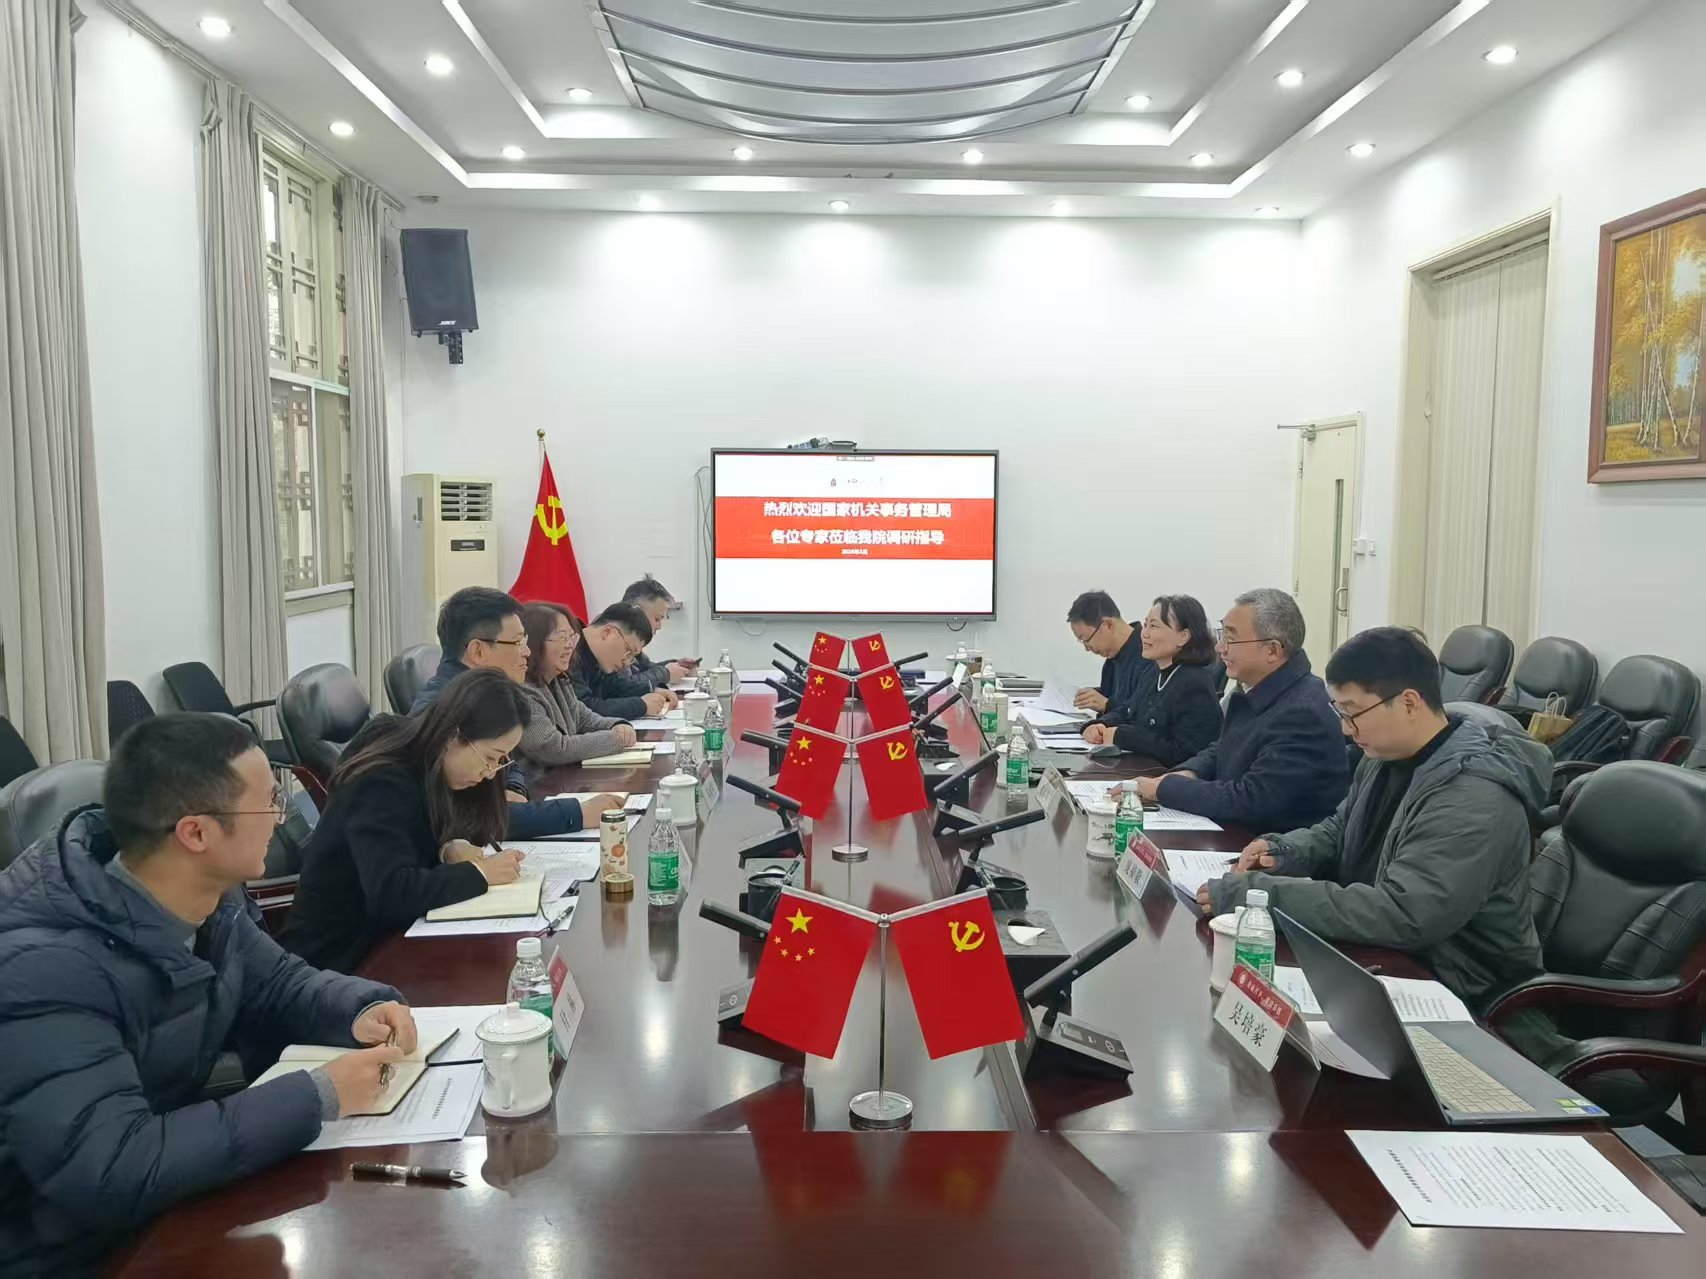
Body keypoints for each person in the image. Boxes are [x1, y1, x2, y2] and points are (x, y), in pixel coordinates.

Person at [0, 715, 414, 1274]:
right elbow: (111, 1167)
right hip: (69, 1248)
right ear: (196, 833)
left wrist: (362, 1007)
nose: (282, 816)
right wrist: (318, 1094)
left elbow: (280, 983)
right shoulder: (44, 971)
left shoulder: (209, 896)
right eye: (268, 802)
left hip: (172, 1195)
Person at [1198, 627, 1547, 1008]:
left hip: (1465, 993)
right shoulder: (1385, 755)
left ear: (1409, 703)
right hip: (1379, 961)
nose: (1345, 729)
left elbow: (1404, 914)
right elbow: (1340, 830)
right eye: (1340, 712)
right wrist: (1283, 850)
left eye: (1353, 713)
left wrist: (1259, 896)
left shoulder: (1475, 795)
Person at [283, 669, 605, 973]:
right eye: (490, 757)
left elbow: (417, 834)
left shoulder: (429, 758)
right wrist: (480, 874)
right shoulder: (384, 778)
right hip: (340, 958)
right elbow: (391, 892)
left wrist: (448, 847)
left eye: (500, 761)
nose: (489, 773)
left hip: (392, 939)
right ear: (454, 735)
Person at [410, 586, 616, 840]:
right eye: (518, 642)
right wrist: (577, 813)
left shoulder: (487, 695)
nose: (527, 651)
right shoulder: (443, 711)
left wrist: (514, 785)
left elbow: (507, 758)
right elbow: (464, 818)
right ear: (478, 651)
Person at [1136, 588, 1347, 831]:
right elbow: (1223, 748)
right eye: (1222, 635)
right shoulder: (1257, 688)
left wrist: (1165, 789)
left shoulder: (1302, 713)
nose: (1220, 648)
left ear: (1272, 650)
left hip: (1266, 845)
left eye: (1231, 639)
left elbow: (1252, 799)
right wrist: (1188, 773)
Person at [1083, 595, 1222, 766]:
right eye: (1145, 624)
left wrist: (1123, 736)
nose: (1145, 634)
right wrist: (1100, 724)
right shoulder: (1153, 672)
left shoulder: (1194, 684)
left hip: (1167, 777)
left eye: (1154, 626)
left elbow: (1184, 752)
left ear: (1183, 636)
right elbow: (1129, 711)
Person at [515, 602, 639, 785]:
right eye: (561, 637)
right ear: (534, 642)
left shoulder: (558, 680)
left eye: (571, 637)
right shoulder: (523, 689)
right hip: (540, 788)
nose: (569, 646)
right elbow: (553, 748)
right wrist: (614, 738)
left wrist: (615, 725)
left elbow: (582, 717)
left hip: (565, 781)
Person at [571, 602, 678, 720]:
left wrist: (649, 690)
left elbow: (613, 687)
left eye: (632, 657)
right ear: (608, 632)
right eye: (628, 651)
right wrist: (640, 706)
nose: (626, 662)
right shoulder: (569, 650)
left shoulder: (595, 656)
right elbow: (583, 709)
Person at [1066, 590, 1153, 725]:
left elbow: (1144, 712)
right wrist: (1091, 696)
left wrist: (1107, 705)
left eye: (1086, 640)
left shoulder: (1149, 655)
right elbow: (1114, 696)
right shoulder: (1113, 658)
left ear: (1107, 625)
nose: (1087, 648)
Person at [620, 575, 699, 688]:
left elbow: (644, 668)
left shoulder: (631, 640)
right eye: (657, 619)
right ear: (637, 611)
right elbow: (622, 686)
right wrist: (665, 674)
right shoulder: (614, 640)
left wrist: (676, 666)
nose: (659, 626)